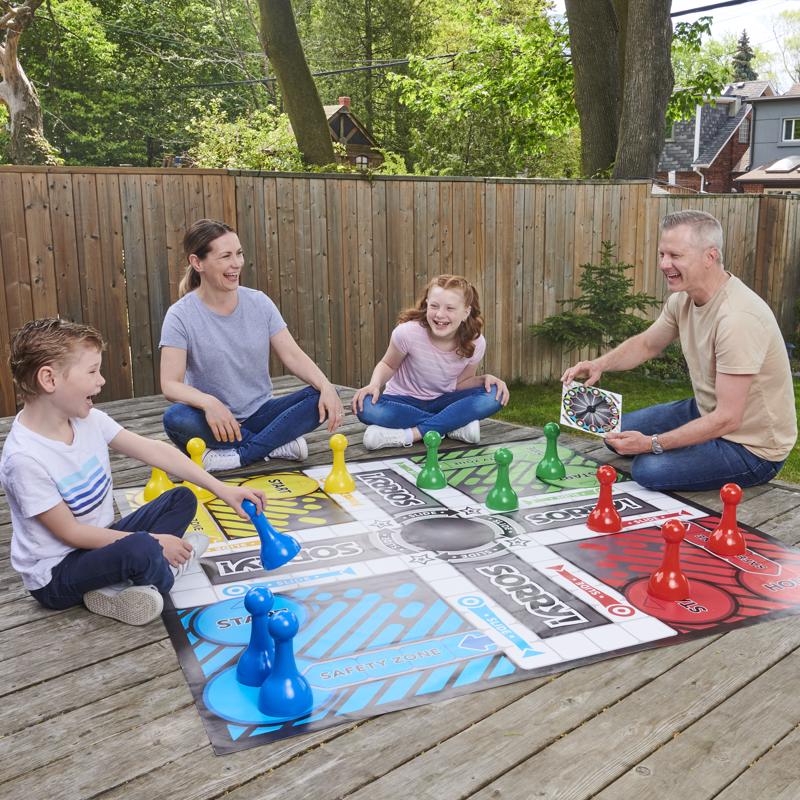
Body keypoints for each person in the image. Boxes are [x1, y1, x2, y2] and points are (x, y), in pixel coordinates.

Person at [0, 318, 265, 626]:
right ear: (49, 379)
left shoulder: (88, 419)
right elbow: (70, 533)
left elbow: (155, 450)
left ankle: (122, 581)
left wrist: (223, 489)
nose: (101, 381)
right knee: (142, 548)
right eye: (92, 371)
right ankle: (160, 572)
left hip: (98, 541)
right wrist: (155, 542)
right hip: (57, 574)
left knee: (180, 499)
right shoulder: (25, 459)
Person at [562, 210, 797, 492]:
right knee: (612, 433)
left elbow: (728, 418)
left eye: (675, 255)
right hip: (706, 411)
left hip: (752, 448)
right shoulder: (682, 300)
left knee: (648, 469)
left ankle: (690, 450)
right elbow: (647, 344)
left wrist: (652, 444)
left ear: (710, 257)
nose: (664, 264)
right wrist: (599, 364)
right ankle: (691, 446)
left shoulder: (738, 318)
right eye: (662, 254)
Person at [160, 219, 345, 472]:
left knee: (318, 396)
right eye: (225, 256)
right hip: (213, 421)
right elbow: (170, 384)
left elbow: (292, 355)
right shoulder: (180, 315)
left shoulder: (259, 303)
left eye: (238, 253)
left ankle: (240, 454)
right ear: (197, 263)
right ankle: (274, 444)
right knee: (176, 418)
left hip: (262, 414)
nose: (236, 263)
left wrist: (326, 386)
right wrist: (209, 403)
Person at [352, 274, 509, 449]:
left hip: (444, 401)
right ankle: (451, 426)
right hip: (403, 402)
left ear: (466, 312)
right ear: (427, 304)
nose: (440, 314)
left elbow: (460, 384)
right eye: (434, 306)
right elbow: (388, 365)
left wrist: (484, 378)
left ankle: (410, 434)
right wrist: (374, 384)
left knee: (496, 393)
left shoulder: (476, 342)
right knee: (364, 407)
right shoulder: (407, 333)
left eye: (450, 308)